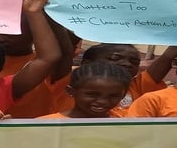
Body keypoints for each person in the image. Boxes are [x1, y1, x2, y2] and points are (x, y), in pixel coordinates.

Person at [49, 44, 177, 117]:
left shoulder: (137, 86)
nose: (127, 64)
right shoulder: (69, 81)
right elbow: (63, 51)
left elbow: (167, 56)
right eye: (115, 58)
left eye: (134, 62)